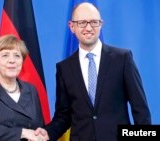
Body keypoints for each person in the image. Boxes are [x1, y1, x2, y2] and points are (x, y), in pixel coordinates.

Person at [36, 2, 151, 141]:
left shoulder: (122, 59)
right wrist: (47, 133)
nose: (89, 27)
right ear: (72, 27)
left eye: (94, 22)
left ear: (101, 24)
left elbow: (140, 109)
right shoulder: (64, 68)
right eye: (82, 23)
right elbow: (63, 116)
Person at [0, 34, 47, 141]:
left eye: (17, 56)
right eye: (5, 55)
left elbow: (38, 126)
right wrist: (23, 132)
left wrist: (41, 133)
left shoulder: (31, 89)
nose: (12, 60)